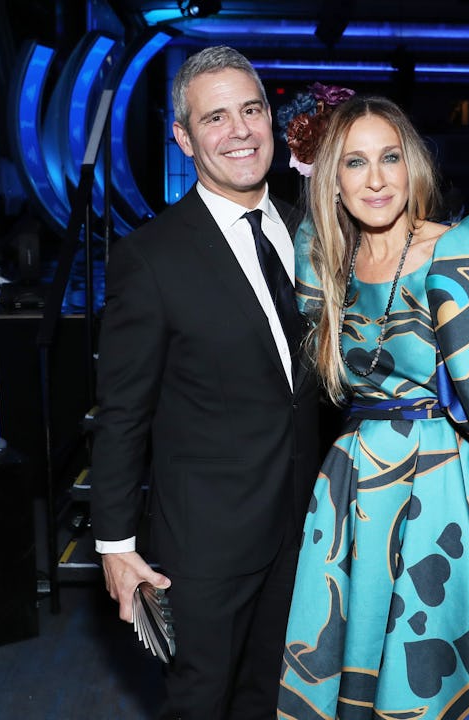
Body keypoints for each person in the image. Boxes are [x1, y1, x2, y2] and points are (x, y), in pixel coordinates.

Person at [277, 96, 469, 719]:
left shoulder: (461, 254)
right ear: (332, 176)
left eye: (390, 157)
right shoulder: (328, 263)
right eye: (355, 163)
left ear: (412, 165)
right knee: (354, 657)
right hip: (353, 491)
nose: (377, 179)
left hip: (449, 491)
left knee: (437, 670)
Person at [89, 45, 320, 720]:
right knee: (200, 703)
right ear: (184, 138)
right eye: (214, 118)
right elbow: (122, 412)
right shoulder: (151, 259)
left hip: (306, 526)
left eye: (251, 110)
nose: (240, 131)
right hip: (205, 543)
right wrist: (115, 546)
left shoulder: (313, 230)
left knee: (275, 698)